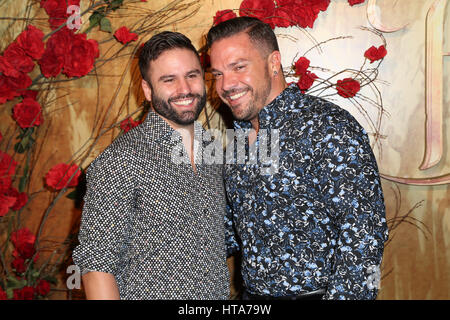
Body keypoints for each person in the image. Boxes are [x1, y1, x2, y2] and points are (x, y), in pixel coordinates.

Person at [207, 17, 389, 300]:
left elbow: (366, 235)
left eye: (238, 67)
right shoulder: (239, 138)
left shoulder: (328, 126)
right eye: (217, 73)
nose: (226, 84)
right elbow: (233, 229)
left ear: (273, 62)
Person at [72, 31, 230, 299]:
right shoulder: (121, 159)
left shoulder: (213, 152)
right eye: (169, 80)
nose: (184, 89)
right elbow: (96, 264)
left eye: (191, 76)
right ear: (147, 89)